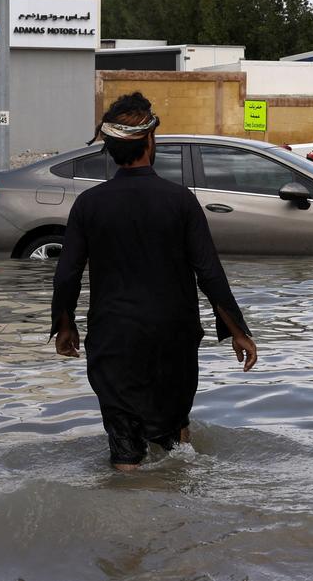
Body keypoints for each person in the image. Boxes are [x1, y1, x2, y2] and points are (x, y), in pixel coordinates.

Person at [51, 91, 258, 470]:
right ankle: (173, 520)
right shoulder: (180, 201)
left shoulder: (89, 204)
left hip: (113, 339)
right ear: (150, 141)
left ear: (111, 150)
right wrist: (238, 331)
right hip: (172, 340)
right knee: (174, 440)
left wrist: (64, 327)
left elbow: (67, 275)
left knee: (125, 453)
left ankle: (125, 519)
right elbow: (209, 273)